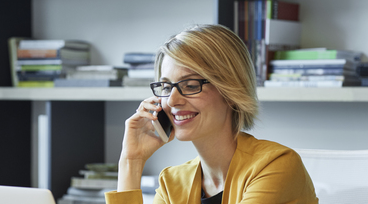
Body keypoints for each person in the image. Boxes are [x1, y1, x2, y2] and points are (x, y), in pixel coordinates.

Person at [105, 24, 318, 204]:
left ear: (230, 89)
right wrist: (131, 161)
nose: (172, 100)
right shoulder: (172, 184)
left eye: (190, 85)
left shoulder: (275, 165)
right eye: (166, 87)